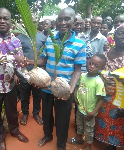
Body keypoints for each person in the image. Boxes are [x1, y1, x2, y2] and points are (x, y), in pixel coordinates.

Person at [36, 7, 86, 150]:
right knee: (46, 115)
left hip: (65, 90)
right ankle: (47, 135)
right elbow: (43, 61)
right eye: (60, 19)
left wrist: (70, 90)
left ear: (74, 21)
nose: (63, 22)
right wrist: (28, 61)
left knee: (62, 119)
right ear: (56, 22)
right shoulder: (49, 39)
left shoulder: (80, 44)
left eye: (67, 19)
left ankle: (61, 144)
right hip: (47, 87)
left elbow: (77, 70)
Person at [0, 8, 29, 150]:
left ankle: (14, 131)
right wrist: (13, 57)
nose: (2, 21)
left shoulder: (16, 41)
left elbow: (19, 65)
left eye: (5, 18)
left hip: (9, 85)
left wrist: (30, 78)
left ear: (10, 22)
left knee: (12, 111)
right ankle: (0, 138)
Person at [68, 54, 107, 150]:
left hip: (89, 111)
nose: (92, 66)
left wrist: (93, 112)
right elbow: (77, 85)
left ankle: (88, 146)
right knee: (79, 125)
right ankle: (78, 138)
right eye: (90, 63)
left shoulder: (98, 82)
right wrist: (75, 94)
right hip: (80, 107)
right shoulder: (82, 75)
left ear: (101, 68)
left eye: (96, 66)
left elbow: (101, 98)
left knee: (89, 130)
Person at [95, 24, 124, 150]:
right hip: (103, 93)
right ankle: (102, 138)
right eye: (120, 33)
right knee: (103, 119)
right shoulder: (106, 53)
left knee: (116, 122)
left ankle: (113, 145)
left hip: (119, 97)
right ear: (114, 35)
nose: (122, 36)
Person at [17, 20, 46, 126]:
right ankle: (25, 114)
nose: (31, 24)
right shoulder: (19, 38)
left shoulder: (42, 37)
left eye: (34, 22)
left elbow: (45, 56)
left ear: (36, 24)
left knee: (37, 94)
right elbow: (17, 56)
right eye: (29, 21)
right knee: (24, 94)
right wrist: (16, 73)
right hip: (24, 72)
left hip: (38, 72)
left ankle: (36, 113)